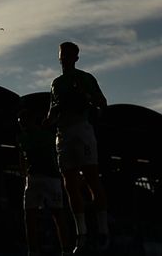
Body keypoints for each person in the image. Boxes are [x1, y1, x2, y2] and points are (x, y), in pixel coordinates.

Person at [44, 42, 109, 253]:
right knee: (70, 184)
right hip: (62, 134)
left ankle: (102, 229)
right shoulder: (56, 83)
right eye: (62, 55)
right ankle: (82, 233)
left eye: (69, 55)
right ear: (59, 57)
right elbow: (52, 114)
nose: (65, 58)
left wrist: (87, 97)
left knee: (91, 179)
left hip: (81, 129)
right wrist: (44, 124)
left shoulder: (85, 78)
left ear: (76, 58)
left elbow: (102, 102)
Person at [18, 109, 73, 256]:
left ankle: (34, 251)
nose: (21, 125)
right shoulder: (49, 137)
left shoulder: (25, 138)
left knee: (32, 216)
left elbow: (22, 162)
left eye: (22, 122)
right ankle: (65, 250)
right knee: (57, 215)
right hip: (49, 179)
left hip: (38, 178)